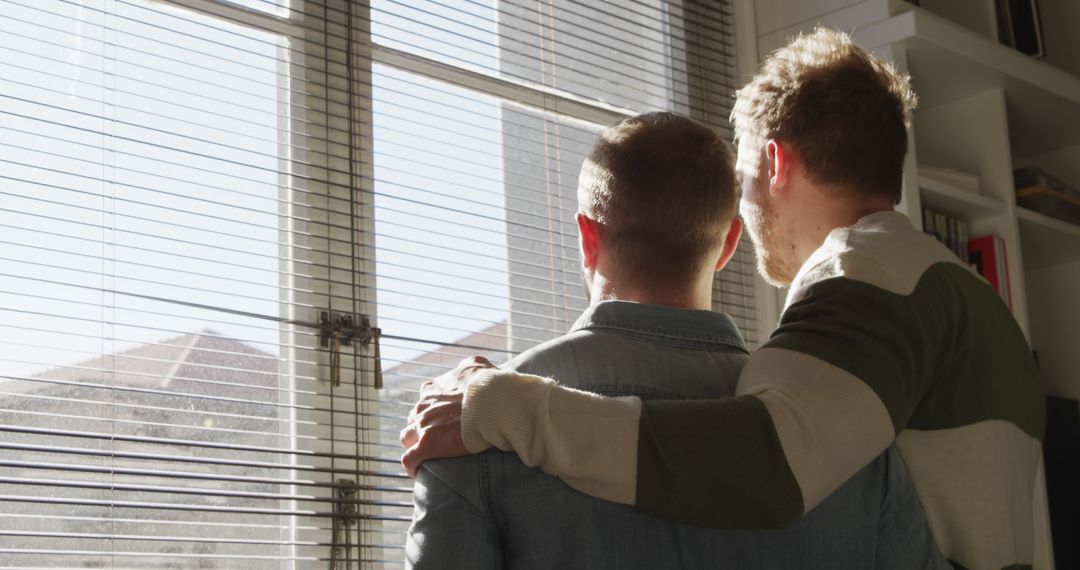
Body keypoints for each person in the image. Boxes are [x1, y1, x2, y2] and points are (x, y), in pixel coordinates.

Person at [402, 29, 1050, 570]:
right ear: (725, 243)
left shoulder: (864, 277)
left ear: (774, 165)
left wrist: (503, 405)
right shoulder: (956, 305)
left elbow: (765, 465)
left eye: (743, 179)